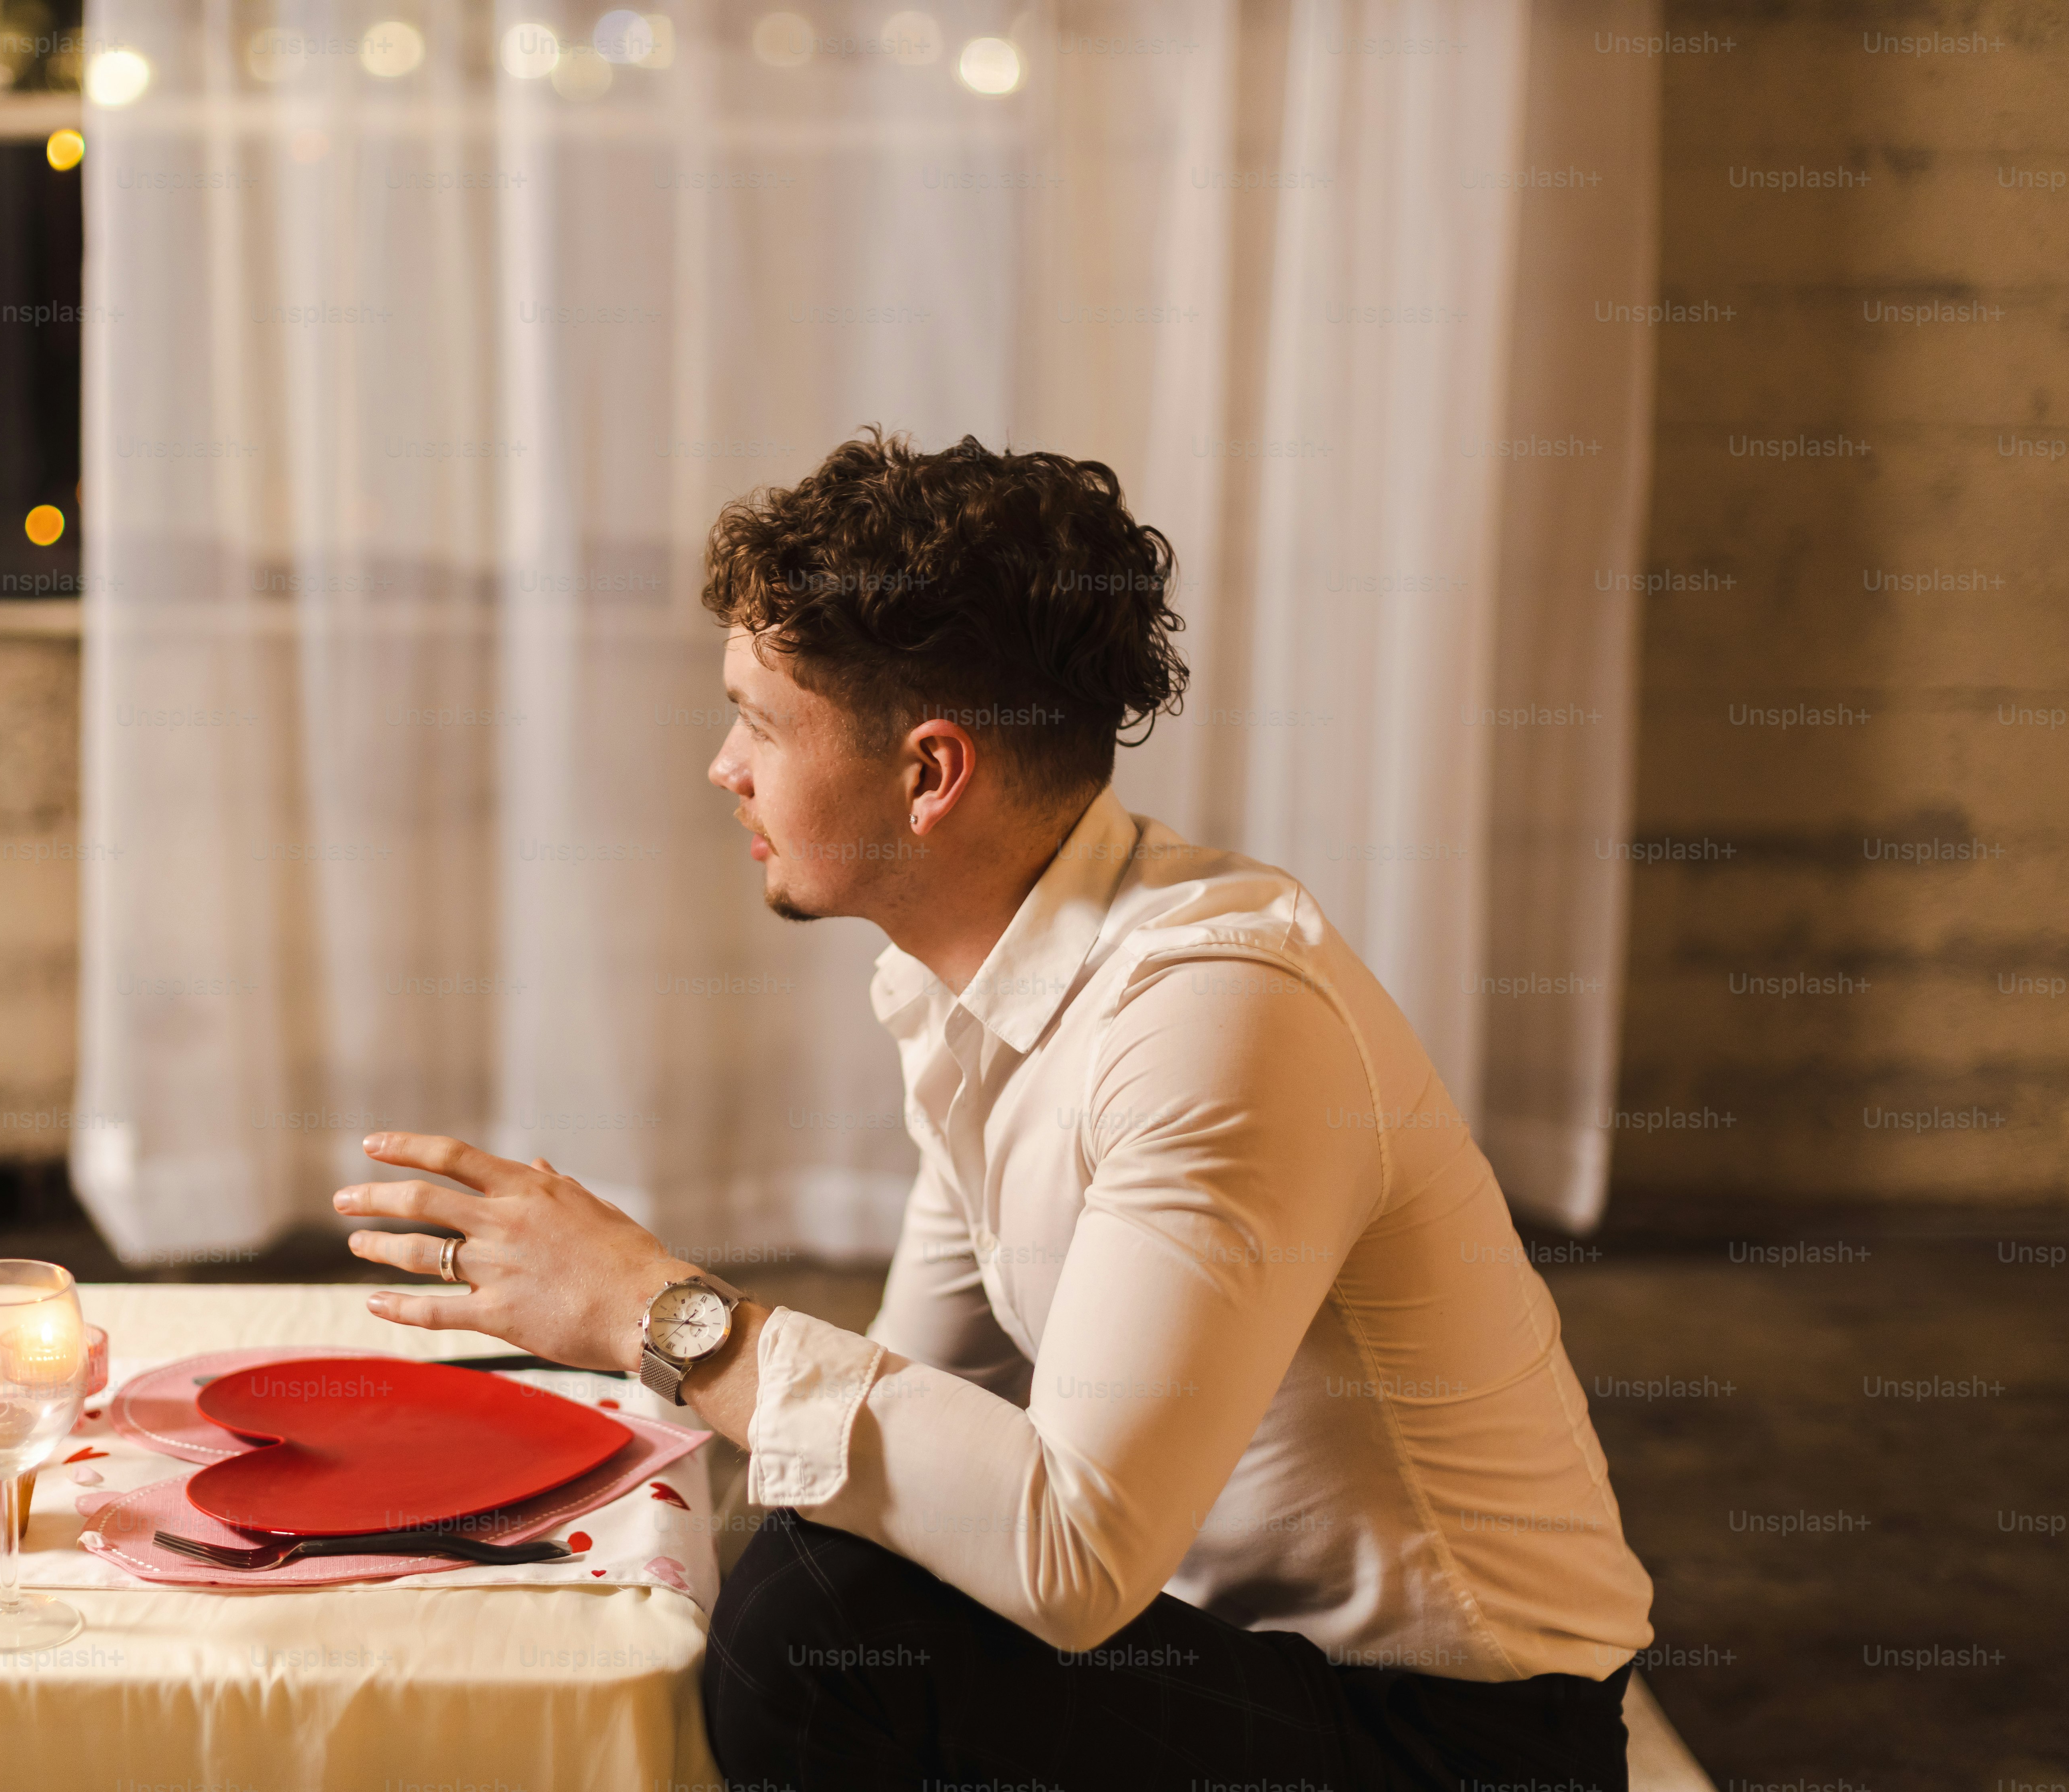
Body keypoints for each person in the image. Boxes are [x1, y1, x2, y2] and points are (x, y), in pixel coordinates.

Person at [336, 431, 1654, 1790]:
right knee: (828, 1553)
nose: (723, 768)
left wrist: (656, 1313)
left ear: (930, 774)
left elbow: (1071, 1559)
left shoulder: (1214, 1020)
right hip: (1242, 1661)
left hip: (1463, 1745)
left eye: (762, 722)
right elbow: (916, 1413)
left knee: (824, 1625)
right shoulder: (967, 989)